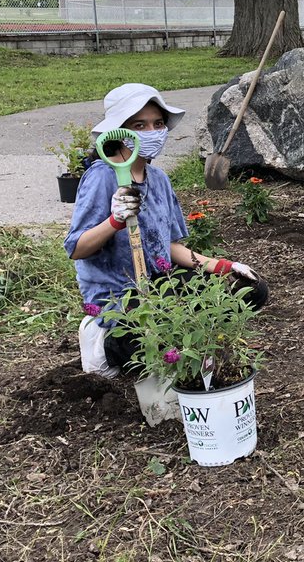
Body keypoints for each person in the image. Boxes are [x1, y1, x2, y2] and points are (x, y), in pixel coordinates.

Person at [65, 83, 268, 378]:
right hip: (117, 296)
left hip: (159, 284)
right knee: (155, 331)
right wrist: (115, 221)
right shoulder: (102, 177)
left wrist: (225, 266)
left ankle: (184, 356)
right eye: (140, 125)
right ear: (120, 132)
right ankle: (104, 345)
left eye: (157, 124)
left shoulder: (159, 179)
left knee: (249, 289)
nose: (152, 131)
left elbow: (169, 247)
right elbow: (76, 248)